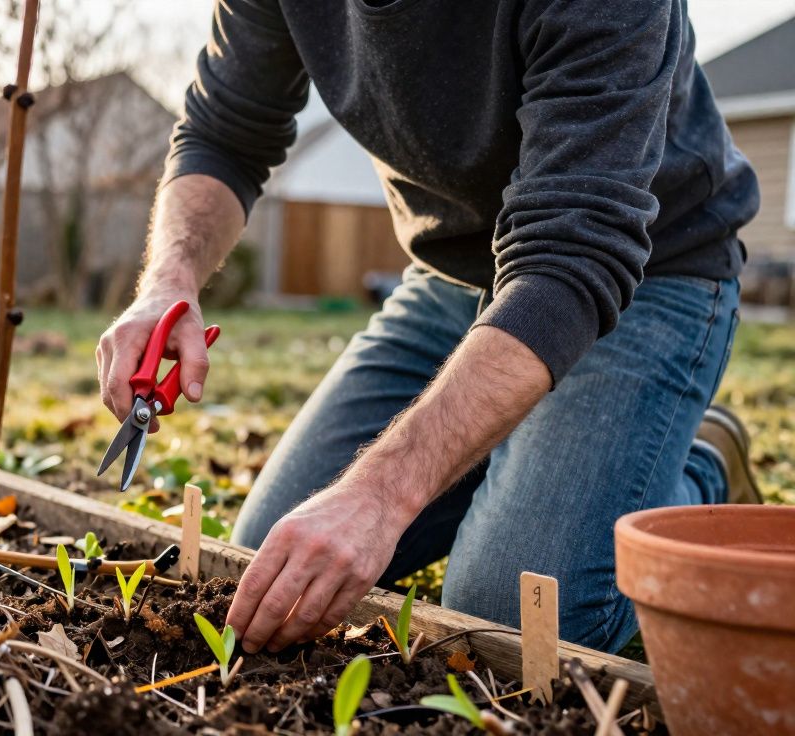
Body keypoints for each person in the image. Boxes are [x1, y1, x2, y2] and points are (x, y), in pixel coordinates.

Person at [95, 0, 763, 655]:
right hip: (454, 275)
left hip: (639, 268)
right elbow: (224, 134)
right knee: (274, 553)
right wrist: (168, 281)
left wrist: (384, 492)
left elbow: (571, 257)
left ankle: (702, 467)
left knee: (516, 613)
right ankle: (504, 453)